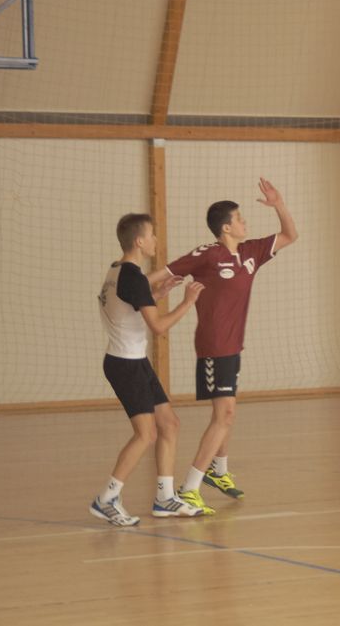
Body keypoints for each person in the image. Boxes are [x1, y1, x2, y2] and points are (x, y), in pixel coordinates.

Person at [150, 178, 298, 514]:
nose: (245, 222)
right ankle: (190, 488)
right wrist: (132, 287)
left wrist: (278, 204)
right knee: (225, 414)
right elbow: (161, 274)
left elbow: (290, 235)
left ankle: (218, 471)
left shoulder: (250, 253)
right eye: (240, 219)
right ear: (226, 227)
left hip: (233, 345)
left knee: (227, 413)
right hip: (213, 344)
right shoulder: (207, 254)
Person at [91, 213, 204, 526]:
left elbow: (128, 305)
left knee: (170, 424)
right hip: (125, 365)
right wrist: (187, 302)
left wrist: (158, 295)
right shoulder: (133, 277)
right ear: (140, 241)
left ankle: (164, 498)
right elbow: (158, 327)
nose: (156, 240)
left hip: (134, 362)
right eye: (152, 235)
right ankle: (106, 499)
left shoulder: (117, 271)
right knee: (146, 434)